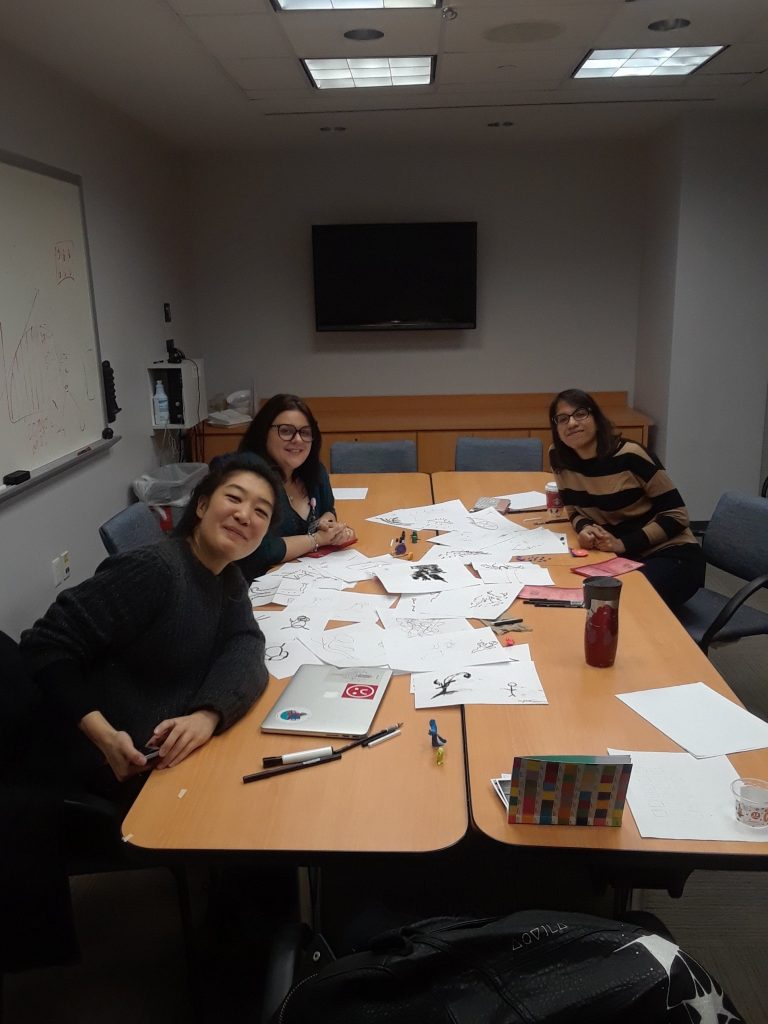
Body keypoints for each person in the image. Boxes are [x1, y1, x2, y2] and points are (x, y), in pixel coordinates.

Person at [20, 453, 280, 800]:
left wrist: (207, 715)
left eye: (261, 511)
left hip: (165, 754)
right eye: (234, 498)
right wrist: (105, 737)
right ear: (202, 506)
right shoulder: (156, 570)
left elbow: (246, 643)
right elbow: (44, 644)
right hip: (103, 764)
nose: (245, 515)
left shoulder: (226, 575)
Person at [548, 388, 705, 610]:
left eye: (580, 414)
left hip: (669, 554)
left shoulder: (630, 456)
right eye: (562, 418)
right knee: (573, 590)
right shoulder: (558, 456)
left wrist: (623, 544)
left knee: (612, 604)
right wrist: (585, 528)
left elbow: (677, 516)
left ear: (596, 418)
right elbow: (573, 509)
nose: (572, 423)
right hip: (618, 556)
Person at [235, 393, 356, 580]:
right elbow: (260, 549)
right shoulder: (252, 479)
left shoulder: (313, 471)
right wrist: (316, 539)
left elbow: (328, 508)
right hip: (254, 584)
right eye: (286, 431)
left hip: (304, 578)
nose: (297, 439)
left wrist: (327, 525)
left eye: (305, 432)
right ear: (264, 432)